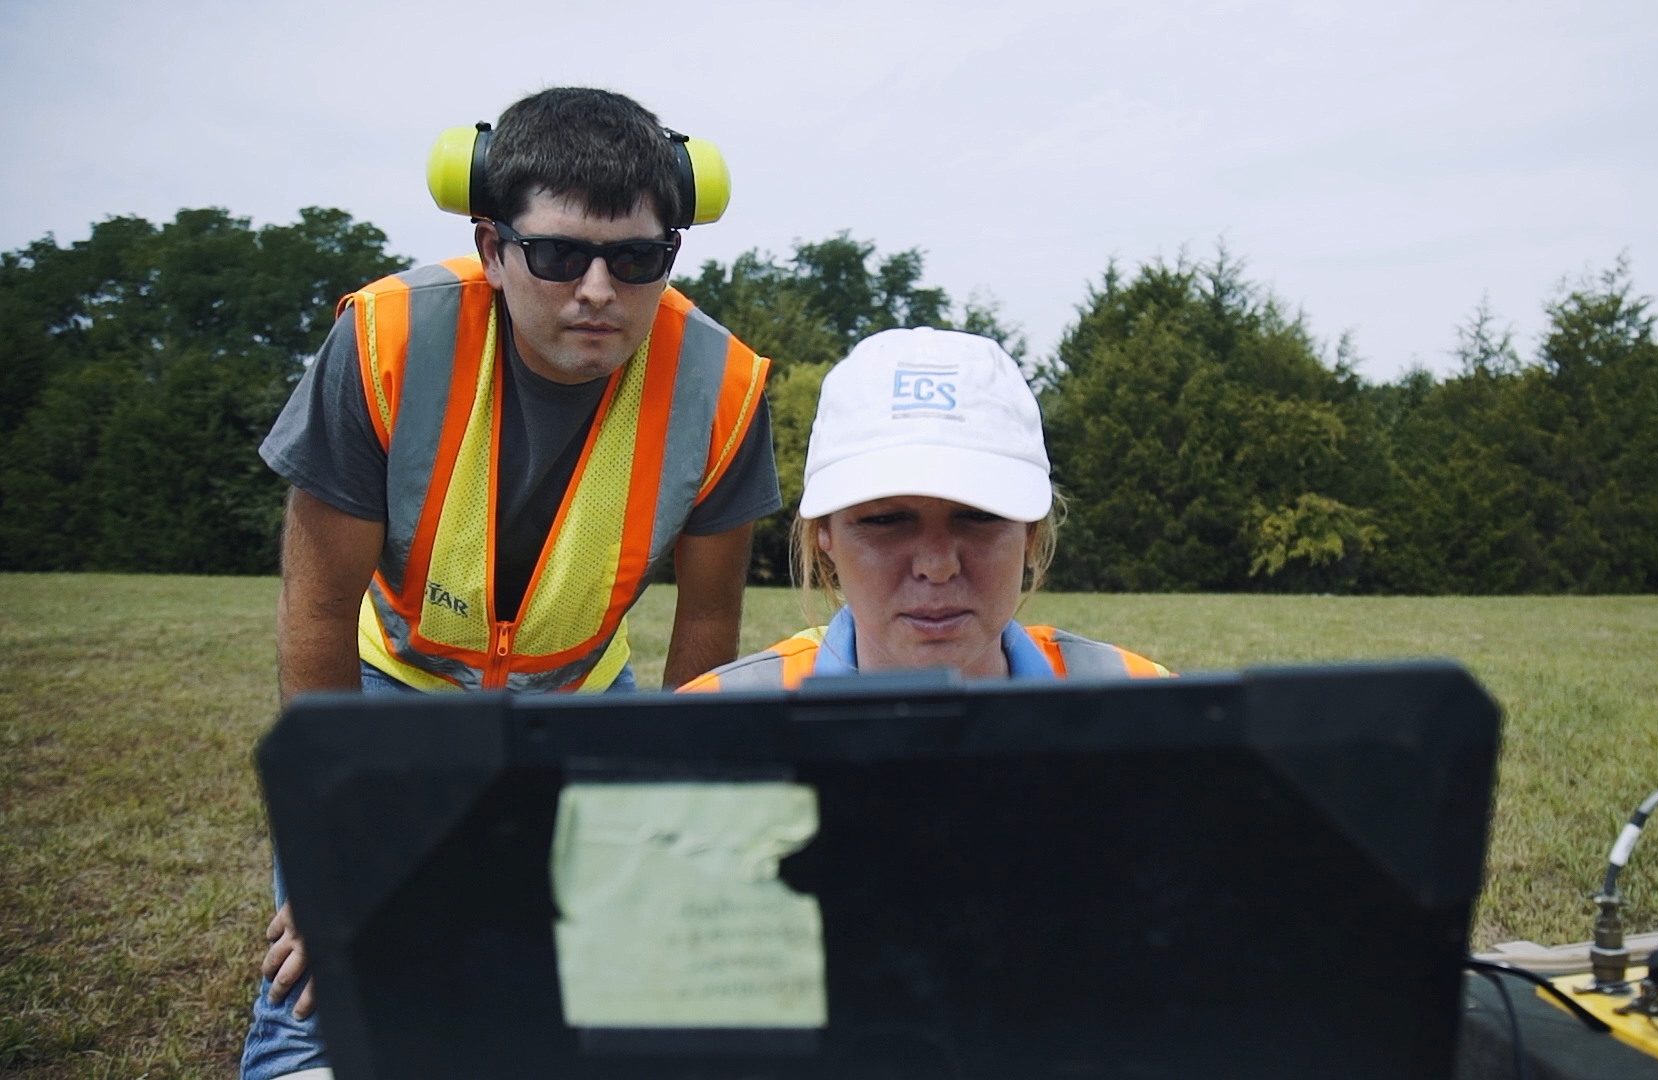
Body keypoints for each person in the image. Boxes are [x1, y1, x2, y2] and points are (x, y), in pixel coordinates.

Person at [242, 88, 781, 1080]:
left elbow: (707, 623)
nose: (597, 291)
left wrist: (681, 818)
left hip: (582, 700)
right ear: (492, 245)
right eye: (557, 254)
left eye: (636, 260)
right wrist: (340, 844)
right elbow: (318, 608)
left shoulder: (726, 387)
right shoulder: (385, 341)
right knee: (330, 979)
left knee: (631, 972)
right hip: (390, 687)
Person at [683, 327, 1167, 691]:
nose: (937, 566)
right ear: (823, 535)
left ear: (1032, 533)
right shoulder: (715, 726)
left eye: (980, 515)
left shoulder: (1151, 710)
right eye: (885, 520)